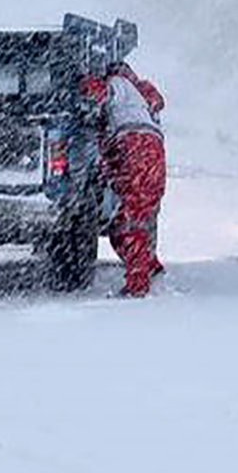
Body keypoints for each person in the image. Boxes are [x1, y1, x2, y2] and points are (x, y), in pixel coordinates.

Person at [82, 61, 167, 297]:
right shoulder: (140, 88)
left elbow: (99, 94)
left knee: (128, 222)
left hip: (133, 147)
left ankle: (138, 284)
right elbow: (158, 101)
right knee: (145, 214)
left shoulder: (118, 84)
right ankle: (149, 265)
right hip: (154, 150)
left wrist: (84, 82)